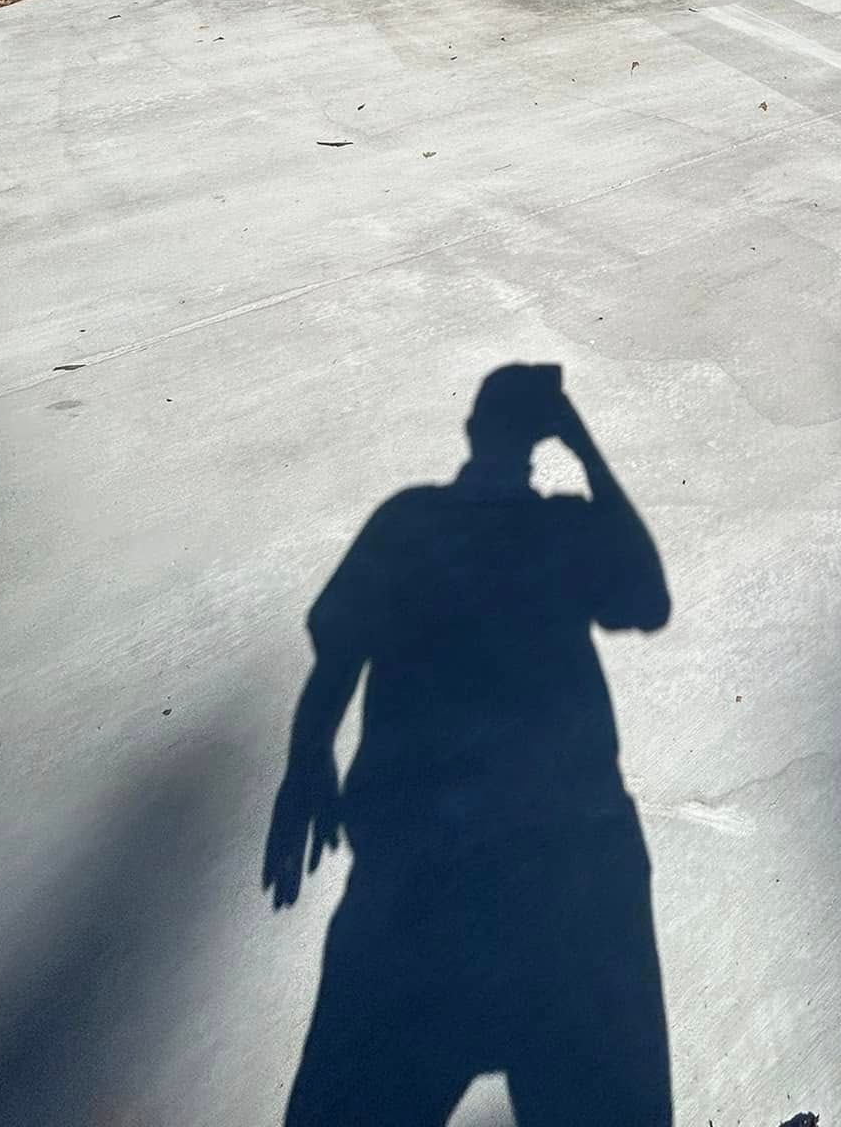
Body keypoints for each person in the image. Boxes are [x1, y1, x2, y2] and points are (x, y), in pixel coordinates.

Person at [262, 364, 672, 1127]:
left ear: (472, 433)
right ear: (542, 438)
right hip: (568, 873)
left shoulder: (408, 520)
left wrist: (307, 757)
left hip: (419, 868)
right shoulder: (566, 531)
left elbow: (339, 651)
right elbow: (647, 598)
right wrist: (585, 449)